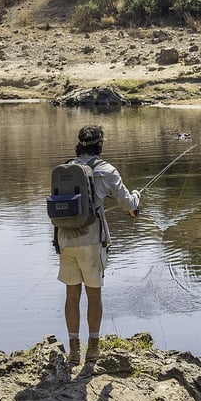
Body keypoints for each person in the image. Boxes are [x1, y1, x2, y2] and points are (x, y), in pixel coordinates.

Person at [55, 125, 140, 365]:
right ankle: (92, 349)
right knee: (94, 294)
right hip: (92, 242)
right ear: (100, 144)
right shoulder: (106, 170)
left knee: (72, 295)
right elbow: (128, 204)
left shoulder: (65, 168)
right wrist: (136, 200)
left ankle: (73, 351)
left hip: (64, 239)